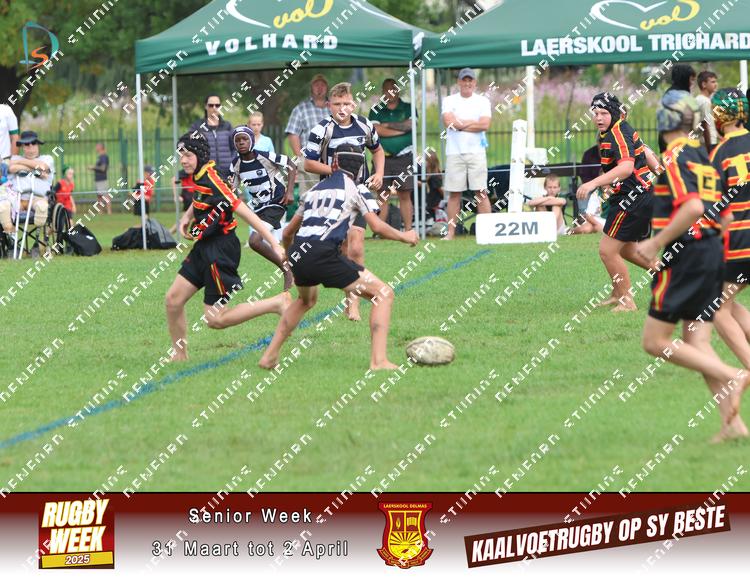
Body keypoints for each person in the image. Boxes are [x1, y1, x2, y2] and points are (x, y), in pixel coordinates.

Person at [635, 95, 748, 443]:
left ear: (664, 122)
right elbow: (725, 216)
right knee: (696, 341)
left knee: (654, 341)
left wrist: (655, 243)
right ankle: (733, 425)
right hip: (713, 252)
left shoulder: (676, 155)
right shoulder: (703, 156)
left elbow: (694, 207)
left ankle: (733, 374)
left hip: (687, 254)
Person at [260, 145, 418, 371]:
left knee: (304, 301)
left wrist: (289, 259)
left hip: (299, 252)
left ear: (334, 164)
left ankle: (269, 356)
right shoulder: (357, 189)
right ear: (360, 168)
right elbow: (376, 226)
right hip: (323, 253)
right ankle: (379, 361)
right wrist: (405, 236)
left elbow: (287, 233)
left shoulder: (313, 191)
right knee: (383, 294)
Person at [165, 133, 290, 362]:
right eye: (181, 155)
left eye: (188, 155)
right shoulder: (201, 174)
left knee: (215, 319)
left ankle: (277, 303)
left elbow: (245, 212)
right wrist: (186, 217)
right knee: (173, 300)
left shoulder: (213, 179)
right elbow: (203, 195)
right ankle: (180, 356)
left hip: (221, 250)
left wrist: (274, 243)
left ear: (200, 155)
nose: (183, 160)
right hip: (203, 247)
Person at [303, 81, 384, 321]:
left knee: (356, 245)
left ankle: (354, 304)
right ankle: (350, 296)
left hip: (359, 191)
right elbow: (308, 163)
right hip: (335, 194)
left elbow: (377, 150)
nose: (342, 108)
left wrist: (379, 173)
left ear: (353, 104)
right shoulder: (322, 130)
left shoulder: (364, 125)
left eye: (346, 103)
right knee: (345, 248)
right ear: (329, 105)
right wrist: (334, 170)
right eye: (337, 104)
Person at [576, 93, 660, 312]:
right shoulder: (617, 129)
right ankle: (668, 276)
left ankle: (627, 301)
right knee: (627, 250)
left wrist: (592, 183)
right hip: (635, 196)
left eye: (603, 113)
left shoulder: (618, 133)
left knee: (607, 251)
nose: (598, 117)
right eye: (595, 113)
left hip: (632, 199)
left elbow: (626, 168)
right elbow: (646, 153)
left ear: (614, 113)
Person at [708, 89, 750, 372]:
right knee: (727, 300)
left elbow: (713, 208)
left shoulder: (719, 154)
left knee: (717, 307)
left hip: (739, 240)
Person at [229, 125, 295, 291]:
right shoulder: (235, 164)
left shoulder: (265, 156)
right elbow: (232, 188)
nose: (241, 143)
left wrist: (289, 192)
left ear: (251, 140)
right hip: (258, 208)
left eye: (244, 139)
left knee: (254, 241)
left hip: (276, 202)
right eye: (237, 140)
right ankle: (292, 263)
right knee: (256, 242)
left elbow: (290, 163)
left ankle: (287, 271)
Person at [441, 67, 492, 240]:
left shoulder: (483, 101)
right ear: (459, 82)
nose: (467, 83)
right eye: (464, 80)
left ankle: (488, 232)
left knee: (481, 192)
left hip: (477, 153)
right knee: (454, 194)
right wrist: (471, 123)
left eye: (470, 80)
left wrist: (460, 124)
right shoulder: (449, 100)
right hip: (454, 153)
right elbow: (449, 123)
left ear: (475, 83)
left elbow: (484, 125)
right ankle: (450, 233)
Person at [369, 78, 415, 230]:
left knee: (405, 194)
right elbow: (376, 131)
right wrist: (400, 130)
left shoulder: (408, 107)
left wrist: (387, 125)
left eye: (393, 89)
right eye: (387, 89)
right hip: (382, 159)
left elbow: (410, 126)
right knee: (382, 195)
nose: (390, 92)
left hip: (404, 158)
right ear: (383, 92)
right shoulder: (376, 109)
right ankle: (380, 231)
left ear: (398, 90)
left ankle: (408, 230)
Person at [0, 131, 55, 251]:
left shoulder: (47, 158)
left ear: (38, 145)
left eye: (33, 144)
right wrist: (35, 171)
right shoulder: (15, 158)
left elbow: (43, 167)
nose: (30, 147)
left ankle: (39, 241)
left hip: (37, 198)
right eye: (26, 144)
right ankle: (12, 242)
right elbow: (11, 167)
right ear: (22, 147)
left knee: (42, 207)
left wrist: (22, 164)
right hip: (16, 198)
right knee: (3, 207)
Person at [285, 74, 329, 197]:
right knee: (309, 197)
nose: (319, 87)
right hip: (310, 159)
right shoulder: (300, 109)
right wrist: (300, 158)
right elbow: (293, 133)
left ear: (327, 88)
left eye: (322, 85)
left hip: (331, 157)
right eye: (316, 85)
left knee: (331, 195)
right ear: (311, 88)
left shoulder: (334, 107)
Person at [189, 95, 235, 179]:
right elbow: (190, 148)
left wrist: (231, 164)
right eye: (211, 105)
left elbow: (234, 148)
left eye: (217, 105)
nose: (214, 108)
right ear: (206, 106)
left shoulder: (227, 126)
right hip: (205, 174)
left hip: (226, 174)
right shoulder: (197, 126)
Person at [696, 71, 719, 152]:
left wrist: (719, 137)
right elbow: (705, 124)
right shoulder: (705, 101)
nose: (716, 84)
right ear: (704, 84)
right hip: (709, 143)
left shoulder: (699, 99)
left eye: (716, 81)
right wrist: (709, 147)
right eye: (713, 82)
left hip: (704, 142)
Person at [90, 142, 110, 215]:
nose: (96, 148)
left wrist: (93, 167)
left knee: (105, 195)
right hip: (98, 179)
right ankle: (100, 212)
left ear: (100, 147)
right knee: (99, 196)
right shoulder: (100, 157)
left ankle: (109, 211)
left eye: (97, 146)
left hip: (102, 179)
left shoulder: (103, 156)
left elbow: (103, 168)